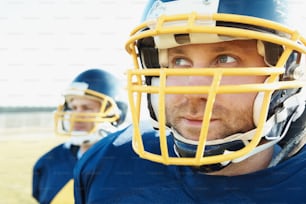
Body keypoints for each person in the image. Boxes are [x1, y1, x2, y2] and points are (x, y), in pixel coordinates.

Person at [74, 0, 306, 203]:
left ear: (288, 72)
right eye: (179, 61)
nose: (192, 92)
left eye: (225, 59)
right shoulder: (110, 162)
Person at [32, 68, 128, 204]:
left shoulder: (128, 162)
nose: (75, 115)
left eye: (87, 108)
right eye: (73, 107)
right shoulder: (49, 163)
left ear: (115, 114)